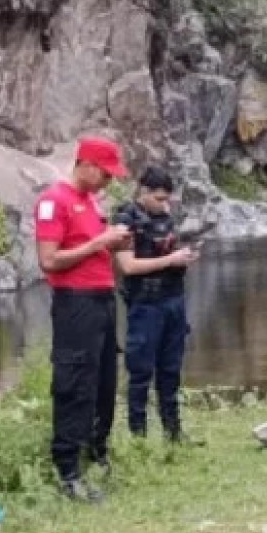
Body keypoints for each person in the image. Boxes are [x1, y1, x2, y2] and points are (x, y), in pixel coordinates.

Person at [34, 136, 133, 501]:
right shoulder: (54, 201)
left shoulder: (91, 202)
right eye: (106, 174)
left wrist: (114, 244)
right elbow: (48, 260)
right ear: (87, 165)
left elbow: (92, 249)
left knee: (103, 381)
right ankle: (67, 469)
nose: (109, 182)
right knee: (74, 381)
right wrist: (97, 244)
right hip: (75, 301)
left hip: (102, 299)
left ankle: (97, 451)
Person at [114, 167, 198, 443]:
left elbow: (166, 251)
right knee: (140, 373)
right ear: (144, 192)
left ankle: (173, 432)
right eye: (160, 199)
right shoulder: (126, 218)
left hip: (173, 300)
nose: (165, 205)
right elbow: (127, 265)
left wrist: (183, 258)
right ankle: (138, 438)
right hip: (145, 306)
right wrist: (170, 260)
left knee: (171, 369)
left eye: (167, 200)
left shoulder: (165, 218)